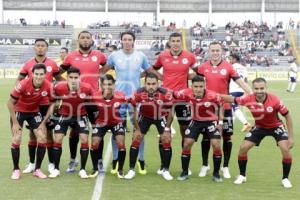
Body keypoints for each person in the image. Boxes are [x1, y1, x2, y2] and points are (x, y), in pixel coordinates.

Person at [102, 31, 160, 175]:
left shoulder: (140, 56)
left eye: (129, 39)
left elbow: (149, 71)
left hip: (136, 98)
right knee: (117, 132)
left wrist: (138, 76)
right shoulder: (114, 56)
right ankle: (115, 160)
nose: (127, 42)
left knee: (138, 131)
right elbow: (103, 71)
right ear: (121, 41)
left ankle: (140, 160)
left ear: (133, 41)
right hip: (119, 98)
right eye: (124, 39)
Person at [220, 77, 294, 188]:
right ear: (253, 88)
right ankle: (242, 175)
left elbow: (287, 116)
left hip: (276, 126)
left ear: (266, 87)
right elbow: (233, 99)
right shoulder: (248, 98)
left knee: (285, 148)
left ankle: (285, 179)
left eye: (261, 88)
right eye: (256, 89)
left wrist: (291, 138)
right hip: (260, 127)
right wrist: (217, 96)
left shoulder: (275, 100)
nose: (259, 91)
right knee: (243, 148)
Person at [196, 41, 251, 179]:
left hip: (225, 107)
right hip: (207, 108)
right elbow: (195, 84)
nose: (215, 53)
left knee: (227, 136)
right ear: (209, 52)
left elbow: (240, 81)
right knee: (206, 137)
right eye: (212, 50)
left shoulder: (228, 67)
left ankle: (225, 167)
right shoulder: (203, 67)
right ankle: (205, 164)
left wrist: (252, 94)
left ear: (222, 52)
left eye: (217, 50)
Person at [60, 30, 107, 173]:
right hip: (75, 100)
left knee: (97, 131)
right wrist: (66, 86)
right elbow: (59, 72)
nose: (85, 40)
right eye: (82, 38)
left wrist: (100, 78)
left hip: (93, 100)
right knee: (74, 132)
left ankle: (99, 161)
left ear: (92, 40)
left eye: (88, 38)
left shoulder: (99, 55)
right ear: (78, 40)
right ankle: (73, 160)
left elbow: (106, 68)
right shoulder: (71, 56)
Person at [153, 32, 197, 175]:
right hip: (166, 99)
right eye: (173, 41)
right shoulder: (163, 56)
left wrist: (187, 76)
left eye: (178, 41)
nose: (176, 43)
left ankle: (185, 166)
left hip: (183, 100)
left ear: (181, 42)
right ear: (170, 42)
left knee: (186, 131)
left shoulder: (189, 56)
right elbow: (154, 69)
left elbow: (198, 72)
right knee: (164, 131)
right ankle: (163, 165)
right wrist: (163, 77)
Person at [18, 38, 61, 175]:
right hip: (33, 104)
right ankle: (32, 163)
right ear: (34, 48)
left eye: (43, 46)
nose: (40, 48)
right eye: (38, 46)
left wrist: (59, 96)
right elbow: (19, 80)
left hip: (47, 104)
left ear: (46, 48)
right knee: (32, 134)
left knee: (48, 133)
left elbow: (60, 80)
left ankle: (50, 164)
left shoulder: (52, 64)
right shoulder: (28, 64)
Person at [124, 73, 174, 180]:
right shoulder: (138, 92)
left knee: (166, 139)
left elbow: (171, 111)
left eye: (153, 84)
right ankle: (131, 170)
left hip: (161, 116)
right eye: (148, 84)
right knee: (136, 138)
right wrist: (137, 129)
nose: (151, 86)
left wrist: (167, 128)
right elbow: (132, 110)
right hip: (145, 116)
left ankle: (165, 170)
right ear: (144, 83)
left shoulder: (165, 93)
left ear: (158, 84)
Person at [8, 64, 52, 179]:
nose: (39, 76)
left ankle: (37, 169)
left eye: (41, 74)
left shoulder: (48, 85)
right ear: (32, 74)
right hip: (19, 111)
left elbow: (52, 104)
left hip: (34, 112)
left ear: (45, 75)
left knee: (42, 137)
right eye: (36, 74)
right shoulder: (23, 84)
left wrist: (43, 122)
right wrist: (15, 123)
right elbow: (9, 103)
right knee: (17, 138)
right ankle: (16, 170)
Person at [175, 75, 223, 182]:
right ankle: (184, 172)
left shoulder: (213, 95)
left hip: (210, 121)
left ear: (204, 86)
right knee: (187, 143)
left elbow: (221, 106)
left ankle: (216, 174)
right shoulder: (186, 92)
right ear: (192, 86)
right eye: (195, 86)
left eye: (201, 86)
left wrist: (220, 123)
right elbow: (173, 93)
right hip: (196, 121)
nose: (198, 89)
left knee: (216, 144)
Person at [47, 67, 93, 179]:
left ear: (79, 78)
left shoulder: (87, 88)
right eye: (71, 77)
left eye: (76, 77)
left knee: (84, 139)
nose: (73, 80)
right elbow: (52, 102)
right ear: (66, 78)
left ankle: (82, 169)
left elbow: (91, 105)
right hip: (64, 115)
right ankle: (56, 169)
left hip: (81, 115)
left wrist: (94, 121)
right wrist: (50, 117)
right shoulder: (59, 87)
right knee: (57, 139)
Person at [89, 74, 127, 179]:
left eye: (110, 84)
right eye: (104, 84)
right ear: (101, 85)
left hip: (116, 122)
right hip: (101, 122)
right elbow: (88, 109)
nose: (107, 87)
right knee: (94, 143)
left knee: (121, 143)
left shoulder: (121, 96)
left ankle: (120, 169)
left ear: (114, 85)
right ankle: (95, 168)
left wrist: (126, 122)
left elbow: (131, 104)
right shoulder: (95, 96)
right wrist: (93, 123)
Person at [229, 54, 251, 130]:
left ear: (235, 59)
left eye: (231, 59)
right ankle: (230, 126)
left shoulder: (231, 67)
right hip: (241, 90)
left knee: (235, 107)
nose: (230, 60)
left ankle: (246, 123)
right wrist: (246, 91)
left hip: (233, 89)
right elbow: (245, 81)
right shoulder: (244, 68)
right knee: (232, 109)